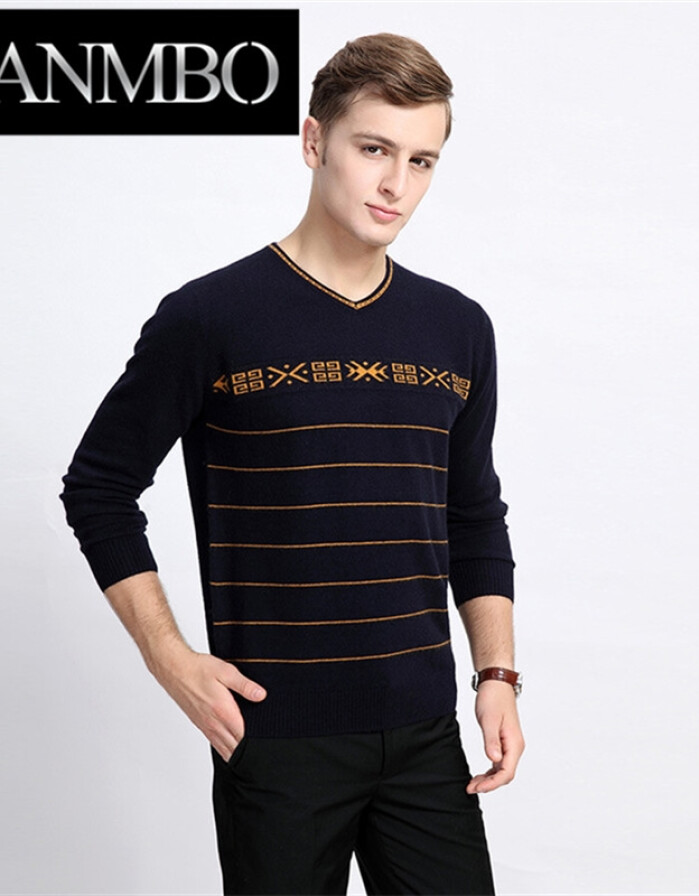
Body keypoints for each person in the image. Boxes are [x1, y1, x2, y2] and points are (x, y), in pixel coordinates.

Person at [60, 32, 525, 896]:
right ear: (314, 142)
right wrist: (170, 658)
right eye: (374, 149)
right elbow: (99, 488)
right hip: (277, 742)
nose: (396, 184)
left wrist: (496, 674)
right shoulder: (210, 317)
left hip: (426, 736)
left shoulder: (458, 328)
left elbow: (473, 514)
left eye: (421, 161)